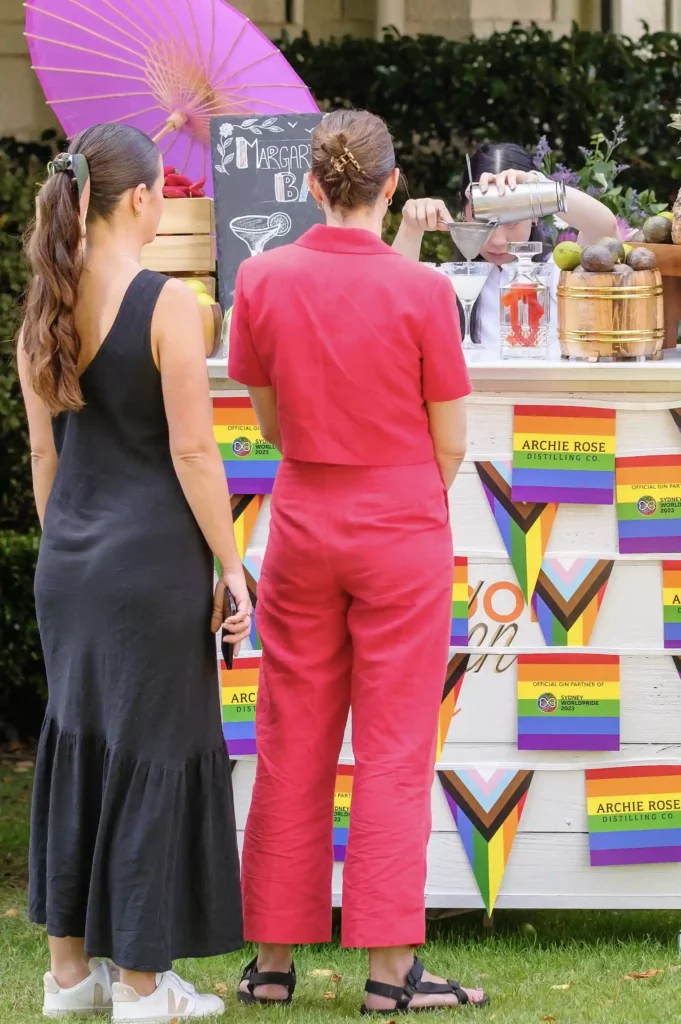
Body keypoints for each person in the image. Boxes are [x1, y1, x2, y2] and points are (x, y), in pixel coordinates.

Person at [228, 109, 489, 1014]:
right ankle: (388, 976)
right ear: (390, 191)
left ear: (308, 186)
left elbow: (265, 423)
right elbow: (450, 442)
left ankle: (269, 965)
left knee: (289, 736)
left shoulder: (258, 278)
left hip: (301, 520)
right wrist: (404, 489)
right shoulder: (423, 294)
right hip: (399, 524)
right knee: (391, 749)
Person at [19, 123, 251, 1021]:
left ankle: (70, 980)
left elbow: (46, 459)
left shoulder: (41, 307)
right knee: (150, 759)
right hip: (153, 568)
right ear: (143, 201)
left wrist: (72, 547)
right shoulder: (169, 308)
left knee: (77, 752)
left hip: (68, 568)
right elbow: (195, 456)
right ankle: (146, 990)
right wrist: (231, 570)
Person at [392, 141, 619, 344]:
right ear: (464, 214)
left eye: (511, 222)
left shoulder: (559, 274)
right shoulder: (451, 282)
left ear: (534, 215)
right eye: (484, 222)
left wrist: (538, 186)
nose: (498, 241)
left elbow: (604, 229)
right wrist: (411, 228)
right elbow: (392, 304)